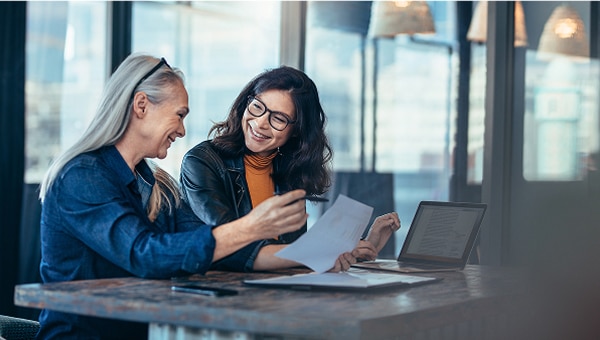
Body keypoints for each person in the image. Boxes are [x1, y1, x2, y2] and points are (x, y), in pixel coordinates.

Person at [35, 54, 329, 339]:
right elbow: (144, 254)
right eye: (179, 115)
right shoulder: (82, 176)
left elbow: (220, 247)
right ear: (141, 106)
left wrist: (320, 255)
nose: (182, 130)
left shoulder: (155, 182)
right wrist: (250, 226)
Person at [180, 66, 401, 272]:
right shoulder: (202, 161)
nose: (260, 123)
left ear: (296, 131)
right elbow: (229, 244)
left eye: (278, 118)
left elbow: (293, 253)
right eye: (257, 107)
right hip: (221, 294)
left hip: (276, 292)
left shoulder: (290, 171)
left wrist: (358, 248)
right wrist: (318, 254)